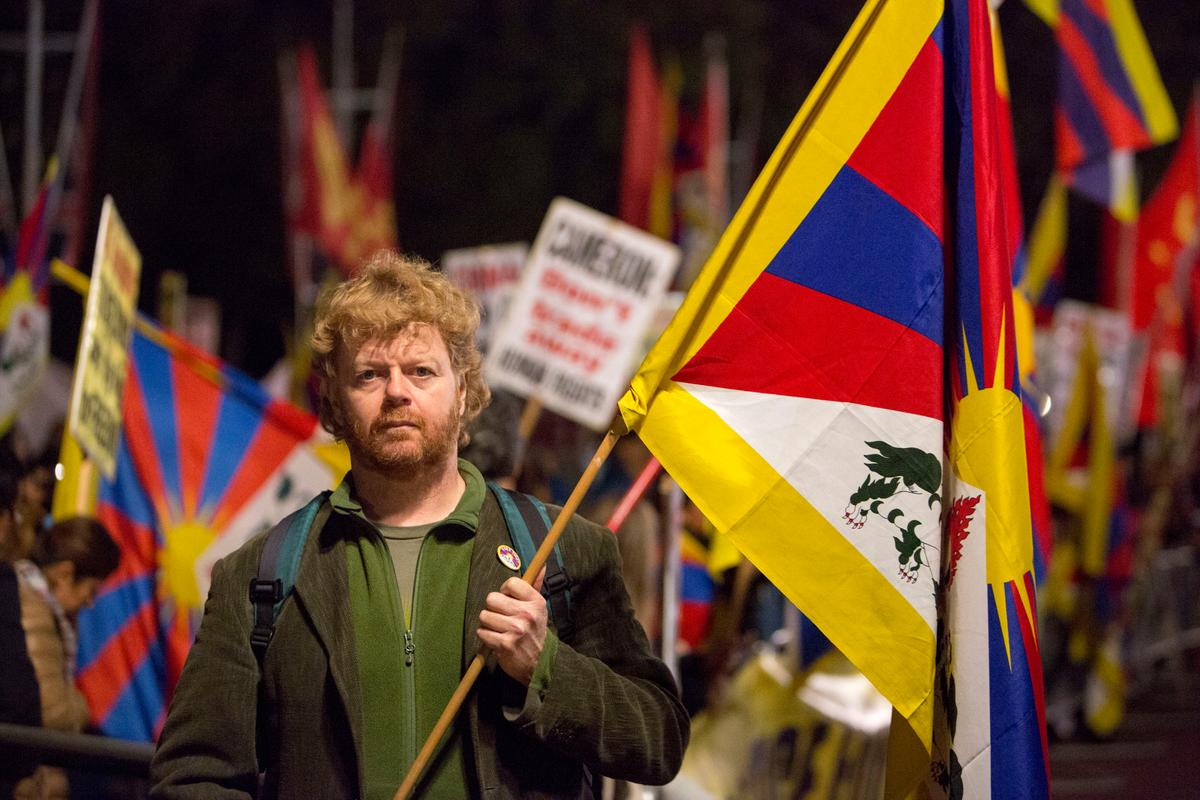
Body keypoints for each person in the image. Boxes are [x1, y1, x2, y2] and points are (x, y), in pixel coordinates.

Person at [151, 251, 688, 799]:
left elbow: (658, 738)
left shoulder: (566, 551)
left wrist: (544, 666)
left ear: (463, 392)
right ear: (333, 400)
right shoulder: (259, 576)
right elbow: (192, 778)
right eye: (369, 374)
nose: (397, 392)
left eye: (421, 371)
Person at [12, 516, 121, 799]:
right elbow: (53, 713)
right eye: (91, 589)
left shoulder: (42, 606)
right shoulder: (31, 607)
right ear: (64, 575)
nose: (90, 601)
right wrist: (82, 706)